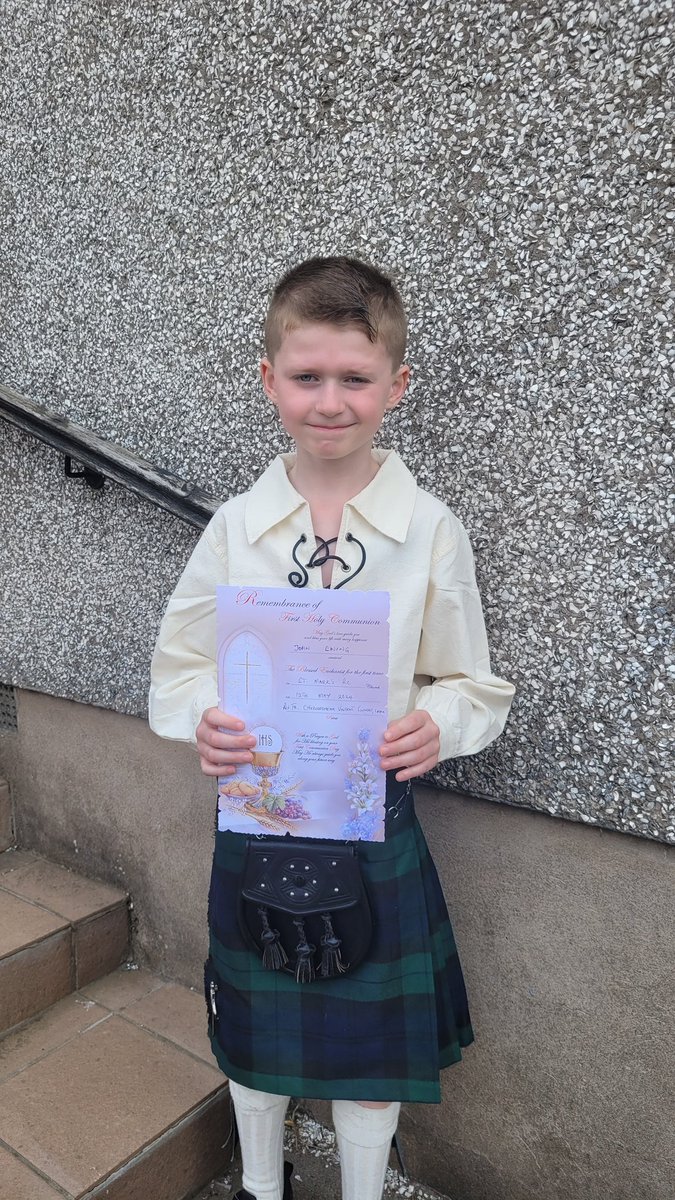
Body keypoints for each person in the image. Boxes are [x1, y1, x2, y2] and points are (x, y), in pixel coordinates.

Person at [149, 256, 514, 1200]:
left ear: (396, 385)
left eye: (354, 378)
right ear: (268, 380)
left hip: (371, 825)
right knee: (256, 1050)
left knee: (366, 1068)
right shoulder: (235, 525)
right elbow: (177, 667)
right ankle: (260, 1191)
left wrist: (436, 724)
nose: (330, 400)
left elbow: (471, 681)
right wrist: (205, 720)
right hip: (259, 819)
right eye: (306, 376)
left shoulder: (430, 530)